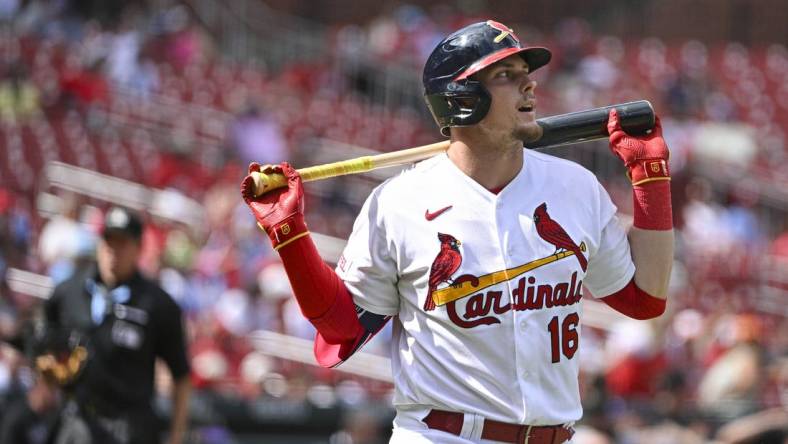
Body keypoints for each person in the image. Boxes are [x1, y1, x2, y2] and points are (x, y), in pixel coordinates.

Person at [241, 20, 674, 444]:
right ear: (461, 98)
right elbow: (342, 328)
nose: (529, 86)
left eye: (526, 75)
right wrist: (291, 236)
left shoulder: (576, 187)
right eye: (506, 75)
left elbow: (644, 298)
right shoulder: (401, 200)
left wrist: (650, 176)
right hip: (443, 434)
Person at [43, 207, 191, 444]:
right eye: (108, 241)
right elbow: (44, 338)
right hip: (76, 421)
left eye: (122, 243)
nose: (113, 251)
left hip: (128, 427)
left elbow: (181, 377)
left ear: (139, 249)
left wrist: (176, 437)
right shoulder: (70, 291)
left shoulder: (157, 304)